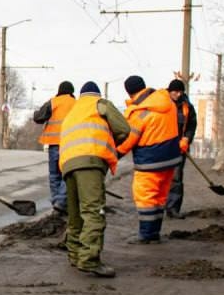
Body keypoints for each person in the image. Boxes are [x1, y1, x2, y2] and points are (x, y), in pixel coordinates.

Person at [59, 82, 130, 277]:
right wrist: (113, 143)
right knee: (93, 211)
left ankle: (74, 255)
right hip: (90, 161)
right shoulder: (99, 103)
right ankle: (90, 259)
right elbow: (124, 128)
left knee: (75, 213)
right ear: (96, 94)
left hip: (67, 164)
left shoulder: (73, 111)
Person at [117, 75, 183, 244]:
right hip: (171, 159)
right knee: (160, 197)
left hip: (150, 161)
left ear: (130, 93)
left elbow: (129, 139)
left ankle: (146, 235)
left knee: (146, 197)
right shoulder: (167, 102)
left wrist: (115, 154)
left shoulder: (140, 112)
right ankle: (154, 233)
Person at [32, 81, 76, 214]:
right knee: (67, 174)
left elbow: (38, 118)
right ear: (71, 92)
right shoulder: (77, 104)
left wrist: (35, 113)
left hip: (54, 144)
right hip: (71, 144)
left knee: (54, 175)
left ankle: (56, 202)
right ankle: (61, 202)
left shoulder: (53, 102)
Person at [165, 78, 198, 218]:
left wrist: (186, 139)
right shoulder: (162, 104)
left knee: (176, 178)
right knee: (158, 178)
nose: (177, 94)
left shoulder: (187, 106)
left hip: (179, 148)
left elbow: (191, 125)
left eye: (180, 92)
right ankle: (155, 207)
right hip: (162, 146)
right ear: (169, 91)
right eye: (175, 92)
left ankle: (173, 208)